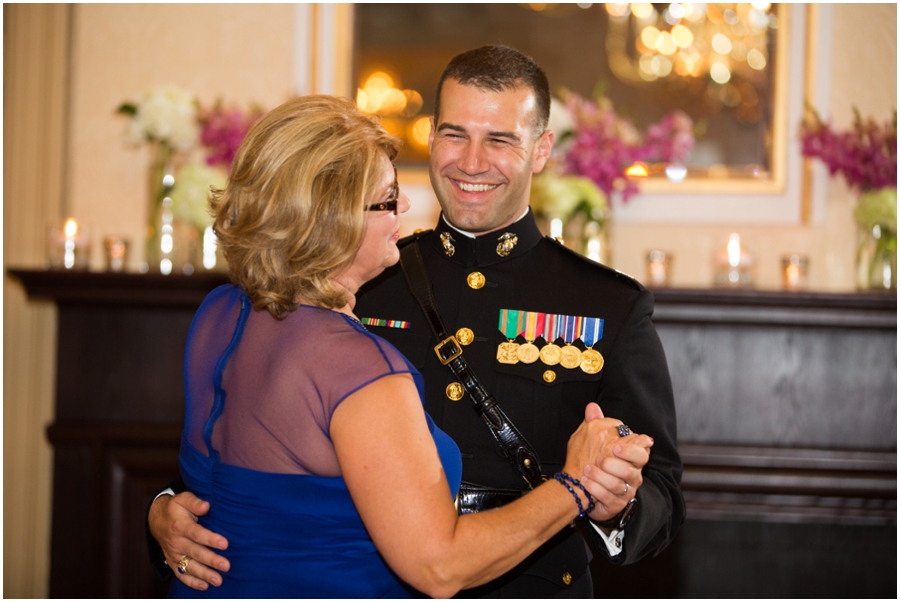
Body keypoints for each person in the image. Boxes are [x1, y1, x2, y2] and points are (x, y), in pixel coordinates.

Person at [149, 45, 684, 597]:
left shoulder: (607, 304)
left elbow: (662, 496)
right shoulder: (359, 274)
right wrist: (166, 510)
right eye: (454, 134)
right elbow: (252, 442)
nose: (472, 162)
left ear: (542, 149)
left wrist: (613, 502)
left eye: (499, 139)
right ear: (430, 137)